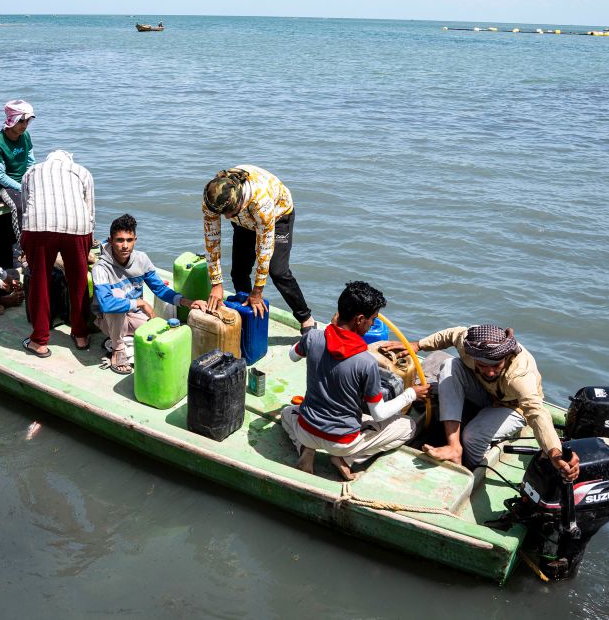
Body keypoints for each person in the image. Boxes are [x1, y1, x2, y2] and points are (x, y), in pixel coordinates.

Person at [281, 281, 429, 481]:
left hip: (307, 431)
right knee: (408, 426)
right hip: (342, 442)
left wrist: (326, 332)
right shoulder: (366, 362)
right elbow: (378, 414)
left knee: (287, 412)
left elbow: (292, 355)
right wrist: (411, 394)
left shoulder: (313, 338)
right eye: (372, 320)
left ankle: (305, 450)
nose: (371, 325)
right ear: (360, 319)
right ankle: (347, 459)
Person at [398, 324, 580, 480]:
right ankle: (454, 447)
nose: (490, 372)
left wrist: (554, 452)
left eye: (495, 365)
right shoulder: (469, 342)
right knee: (450, 365)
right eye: (482, 365)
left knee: (473, 436)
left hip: (513, 406)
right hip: (486, 392)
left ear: (506, 357)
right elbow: (452, 334)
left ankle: (470, 470)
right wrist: (418, 345)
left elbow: (536, 413)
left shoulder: (520, 375)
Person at [202, 165, 316, 330]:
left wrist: (258, 292)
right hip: (243, 220)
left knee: (278, 271)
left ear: (239, 201)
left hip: (277, 215)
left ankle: (306, 319)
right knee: (239, 272)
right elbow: (211, 240)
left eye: (230, 212)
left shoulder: (260, 201)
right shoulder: (212, 199)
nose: (226, 218)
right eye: (223, 213)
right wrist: (216, 284)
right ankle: (248, 314)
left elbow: (265, 250)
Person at [92, 214, 209, 373]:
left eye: (129, 240)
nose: (125, 246)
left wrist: (187, 302)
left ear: (135, 240)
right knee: (117, 296)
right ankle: (118, 350)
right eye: (120, 240)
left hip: (134, 315)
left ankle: (119, 338)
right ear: (111, 240)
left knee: (162, 335)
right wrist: (141, 303)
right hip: (107, 319)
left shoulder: (142, 259)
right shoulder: (100, 268)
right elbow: (106, 304)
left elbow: (160, 289)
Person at [20, 149, 95, 358]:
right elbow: (90, 211)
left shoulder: (32, 171)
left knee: (39, 282)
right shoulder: (82, 171)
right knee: (79, 281)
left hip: (38, 227)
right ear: (69, 160)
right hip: (77, 227)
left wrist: (25, 244)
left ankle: (39, 341)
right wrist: (87, 242)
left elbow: (26, 207)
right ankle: (81, 336)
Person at [0, 100, 35, 261]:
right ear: (12, 120)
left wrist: (31, 180)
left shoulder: (25, 136)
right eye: (20, 121)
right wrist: (21, 187)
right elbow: (0, 176)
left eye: (27, 121)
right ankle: (24, 247)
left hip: (24, 180)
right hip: (5, 185)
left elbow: (30, 161)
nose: (24, 125)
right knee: (19, 206)